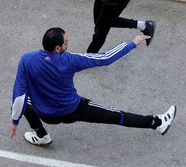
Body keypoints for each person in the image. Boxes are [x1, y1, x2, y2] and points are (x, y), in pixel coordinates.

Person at [10, 27, 176, 145]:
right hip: (72, 110)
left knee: (27, 102)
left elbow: (19, 96)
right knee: (116, 115)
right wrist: (132, 43)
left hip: (45, 114)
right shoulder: (70, 60)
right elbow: (104, 58)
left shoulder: (27, 60)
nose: (69, 45)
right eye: (66, 43)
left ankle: (41, 134)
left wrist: (15, 120)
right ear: (57, 47)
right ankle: (157, 122)